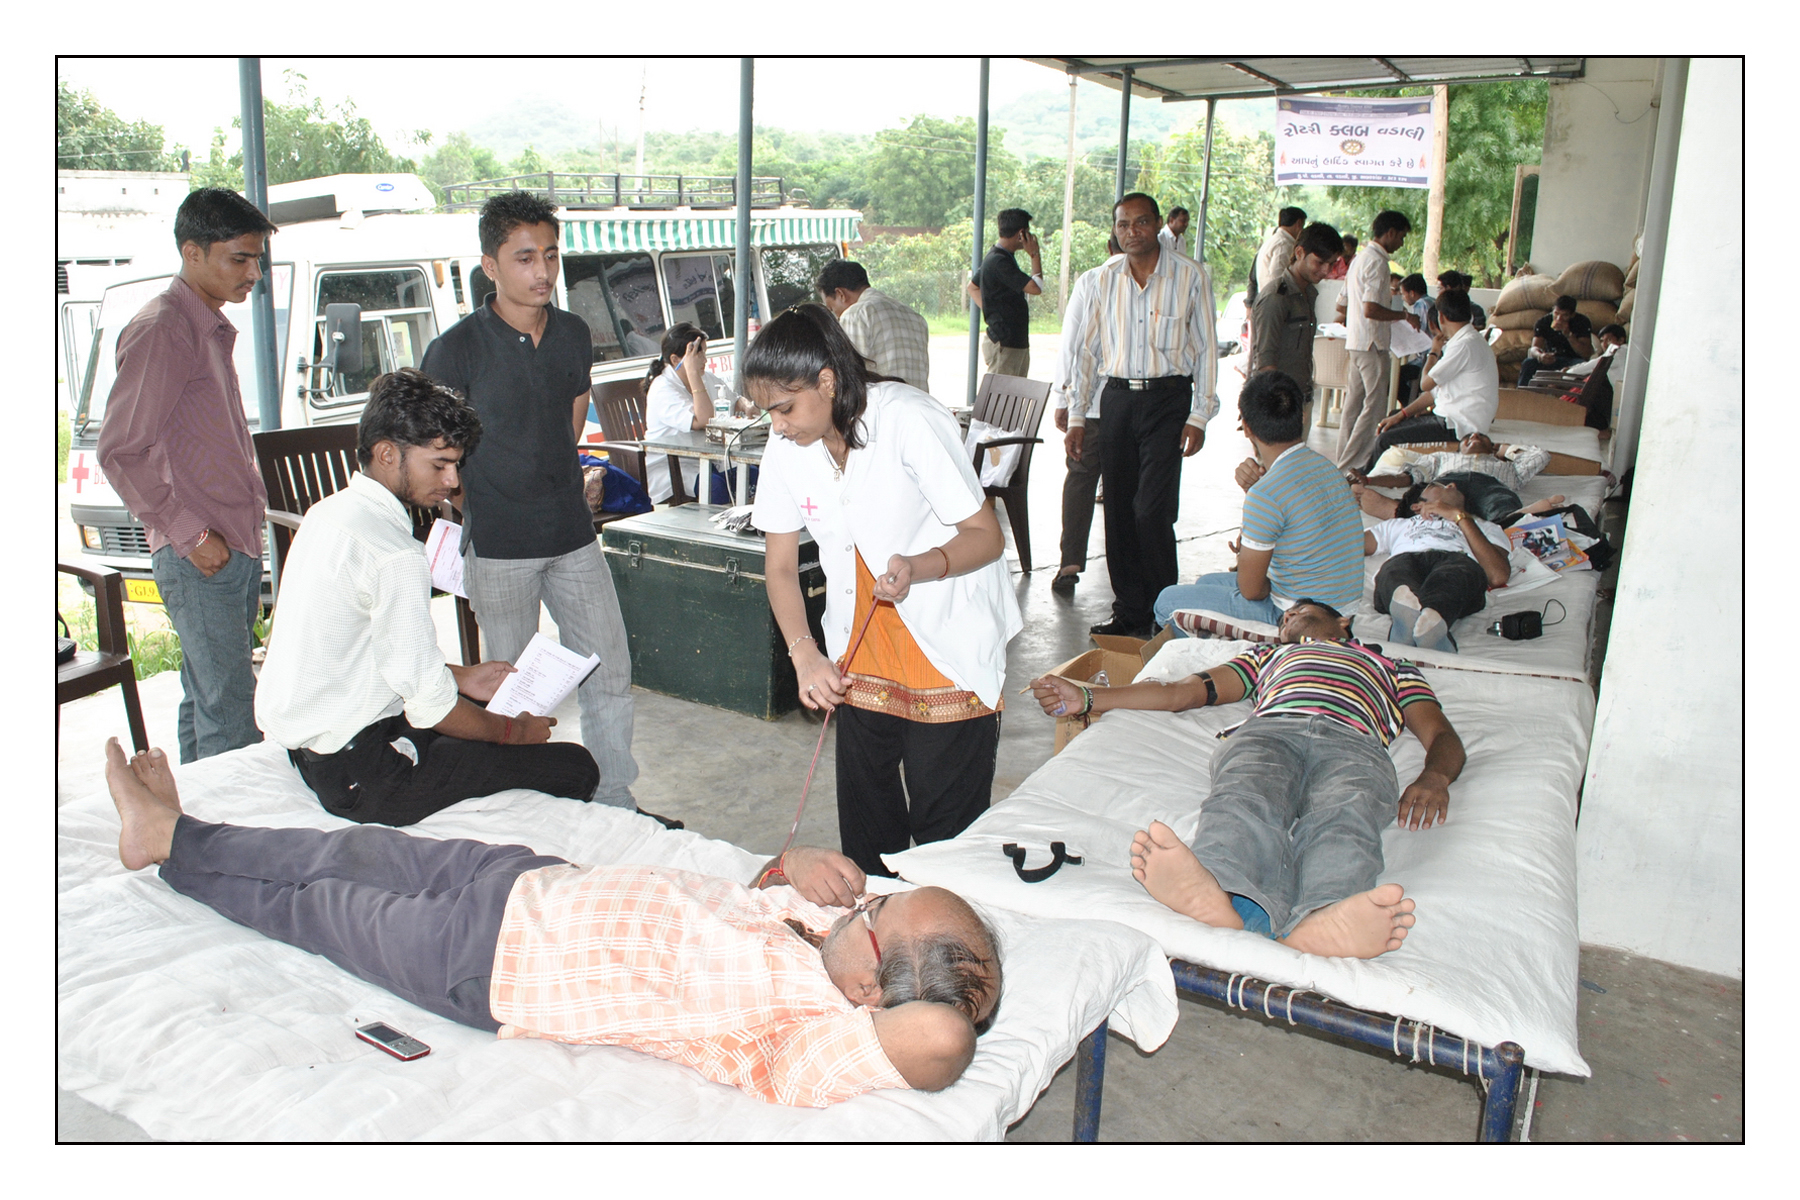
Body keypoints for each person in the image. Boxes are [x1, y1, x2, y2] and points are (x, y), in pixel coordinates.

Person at [103, 737, 1001, 1108]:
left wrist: (946, 991)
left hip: (483, 963)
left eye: (878, 913)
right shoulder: (818, 928)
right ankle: (191, 829)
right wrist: (788, 866)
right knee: (346, 854)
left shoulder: (800, 1034)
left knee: (316, 908)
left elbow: (934, 1040)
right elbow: (756, 887)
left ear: (868, 987)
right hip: (521, 883)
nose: (864, 899)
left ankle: (168, 847)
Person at [746, 306, 1022, 878]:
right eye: (767, 411)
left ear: (826, 380)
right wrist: (804, 654)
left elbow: (986, 537)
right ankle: (876, 947)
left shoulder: (909, 420)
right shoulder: (786, 448)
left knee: (945, 842)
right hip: (860, 647)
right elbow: (779, 567)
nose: (777, 424)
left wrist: (922, 566)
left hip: (944, 642)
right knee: (867, 836)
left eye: (784, 407)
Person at [254, 370, 601, 824]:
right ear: (386, 454)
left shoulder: (330, 513)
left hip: (312, 749)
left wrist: (459, 677)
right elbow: (432, 707)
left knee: (479, 706)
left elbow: (366, 652)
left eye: (455, 464)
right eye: (438, 464)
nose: (453, 482)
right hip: (364, 778)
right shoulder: (394, 554)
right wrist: (516, 733)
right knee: (574, 767)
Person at [1029, 599, 1465, 959]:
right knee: (1245, 798)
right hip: (1270, 731)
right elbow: (1181, 692)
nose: (1287, 619)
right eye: (1282, 619)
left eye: (1299, 611)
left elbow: (1441, 734)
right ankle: (1224, 897)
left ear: (1343, 622)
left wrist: (1435, 777)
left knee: (1347, 813)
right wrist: (1087, 697)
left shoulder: (1393, 666)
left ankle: (1327, 912)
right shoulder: (1270, 655)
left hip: (1355, 743)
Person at [419, 191, 642, 811]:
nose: (541, 272)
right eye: (523, 258)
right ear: (490, 266)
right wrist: (478, 497)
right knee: (511, 688)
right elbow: (437, 452)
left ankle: (614, 799)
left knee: (608, 667)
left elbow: (571, 421)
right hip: (499, 545)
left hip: (573, 535)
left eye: (549, 255)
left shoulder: (572, 333)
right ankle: (525, 805)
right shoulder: (456, 349)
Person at [96, 188, 278, 763]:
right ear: (192, 252)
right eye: (239, 258)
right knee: (230, 712)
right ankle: (233, 841)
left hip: (229, 543)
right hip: (202, 549)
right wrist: (191, 534)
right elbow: (120, 450)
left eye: (258, 259)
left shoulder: (205, 325)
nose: (254, 273)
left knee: (209, 697)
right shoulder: (165, 328)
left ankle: (196, 829)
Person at [1065, 193, 1220, 638]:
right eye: (1123, 224)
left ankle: (1165, 612)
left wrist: (1200, 415)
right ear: (1115, 230)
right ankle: (1130, 612)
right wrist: (1078, 415)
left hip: (1168, 401)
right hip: (1115, 401)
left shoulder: (1189, 275)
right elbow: (1087, 351)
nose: (1132, 231)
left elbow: (1207, 347)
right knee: (1117, 510)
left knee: (1151, 511)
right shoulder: (1103, 279)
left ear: (1157, 226)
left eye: (1141, 222)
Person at [1152, 370, 1363, 632]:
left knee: (1166, 602)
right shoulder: (1326, 468)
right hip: (1341, 605)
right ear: (1303, 416)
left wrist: (1252, 559)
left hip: (1302, 617)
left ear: (1247, 428)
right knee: (1205, 582)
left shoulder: (1266, 494)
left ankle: (1216, 651)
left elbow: (1252, 590)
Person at [1049, 234, 1125, 596]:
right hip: (1128, 405)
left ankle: (1071, 561)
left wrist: (1063, 396)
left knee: (1081, 477)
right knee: (1125, 485)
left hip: (1091, 402)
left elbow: (1072, 340)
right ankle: (1125, 567)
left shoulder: (1091, 279)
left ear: (1109, 249)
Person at [1363, 481, 1513, 652]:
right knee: (1394, 573)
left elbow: (1497, 575)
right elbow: (1350, 545)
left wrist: (1460, 517)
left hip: (1457, 561)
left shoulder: (1485, 528)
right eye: (1439, 486)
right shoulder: (1399, 525)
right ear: (1418, 506)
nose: (1452, 485)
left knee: (1453, 578)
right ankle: (1410, 613)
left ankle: (1430, 621)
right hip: (1405, 558)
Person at [1363, 290, 1499, 470]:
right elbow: (1433, 393)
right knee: (1391, 420)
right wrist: (1401, 415)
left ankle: (1364, 481)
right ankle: (1373, 474)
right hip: (1451, 418)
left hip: (1460, 427)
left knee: (1385, 439)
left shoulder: (1465, 345)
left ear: (1441, 317)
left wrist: (1433, 352)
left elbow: (1425, 383)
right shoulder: (1468, 340)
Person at [1335, 211, 1419, 472]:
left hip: (1357, 342)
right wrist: (1403, 315)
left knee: (1353, 405)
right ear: (1391, 233)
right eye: (1402, 237)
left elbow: (1341, 305)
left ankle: (1342, 461)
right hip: (1372, 343)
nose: (1402, 244)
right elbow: (1371, 309)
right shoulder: (1378, 263)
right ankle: (1353, 466)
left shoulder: (1359, 259)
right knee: (1374, 407)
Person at [1248, 221, 1344, 424]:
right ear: (1299, 252)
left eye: (1332, 264)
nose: (1326, 271)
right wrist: (1278, 409)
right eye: (1319, 262)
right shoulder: (1276, 297)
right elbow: (1265, 361)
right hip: (1280, 407)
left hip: (1300, 398)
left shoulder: (1308, 293)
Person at [1350, 431, 1559, 523]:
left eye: (1481, 437)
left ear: (1493, 448)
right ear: (1459, 448)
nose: (1474, 437)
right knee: (1426, 495)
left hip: (1490, 485)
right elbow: (1407, 477)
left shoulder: (1508, 467)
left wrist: (1504, 449)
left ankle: (1510, 522)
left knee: (1500, 502)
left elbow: (1540, 456)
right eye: (1468, 438)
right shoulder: (1442, 457)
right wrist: (1369, 480)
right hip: (1450, 483)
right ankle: (1398, 509)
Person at [642, 322, 728, 503]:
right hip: (673, 468)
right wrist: (692, 372)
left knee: (751, 474)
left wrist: (745, 405)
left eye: (704, 352)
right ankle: (713, 530)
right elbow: (704, 420)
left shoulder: (705, 377)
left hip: (706, 460)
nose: (704, 359)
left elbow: (734, 399)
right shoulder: (662, 388)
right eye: (698, 353)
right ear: (675, 360)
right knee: (716, 486)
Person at [817, 259, 932, 392]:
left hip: (884, 408)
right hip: (920, 406)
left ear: (840, 294)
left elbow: (850, 376)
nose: (835, 316)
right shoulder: (915, 316)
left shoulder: (855, 314)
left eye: (831, 308)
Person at [971, 208, 1041, 377]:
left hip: (1013, 342)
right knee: (1001, 399)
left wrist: (991, 308)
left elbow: (972, 287)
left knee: (1014, 398)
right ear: (1021, 234)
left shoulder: (998, 256)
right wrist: (1034, 255)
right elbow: (1035, 288)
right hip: (1005, 342)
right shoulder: (999, 261)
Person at [1516, 294, 1595, 387]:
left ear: (1572, 315)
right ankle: (1522, 392)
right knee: (1528, 363)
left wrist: (1569, 335)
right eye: (1556, 313)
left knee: (1582, 367)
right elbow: (1534, 348)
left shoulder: (1581, 322)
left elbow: (1586, 353)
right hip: (1551, 359)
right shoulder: (1544, 322)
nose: (1559, 319)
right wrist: (1540, 356)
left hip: (1572, 360)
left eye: (1564, 315)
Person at [1251, 206, 1308, 299]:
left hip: (1268, 297)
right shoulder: (1283, 245)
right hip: (1275, 300)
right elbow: (1277, 276)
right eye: (1303, 225)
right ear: (1299, 223)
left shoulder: (1272, 240)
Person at [1394, 273, 1432, 404]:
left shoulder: (1421, 304)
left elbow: (1418, 330)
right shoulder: (1431, 301)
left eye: (1403, 294)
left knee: (1394, 377)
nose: (1403, 298)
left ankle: (1410, 405)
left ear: (1412, 293)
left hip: (1426, 358)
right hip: (1428, 357)